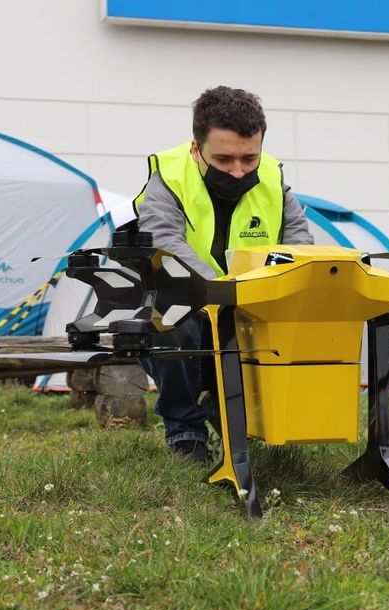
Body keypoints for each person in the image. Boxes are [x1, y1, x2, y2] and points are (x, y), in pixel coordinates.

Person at [132, 86, 314, 464]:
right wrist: (224, 291)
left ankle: (229, 412)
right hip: (185, 305)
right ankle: (185, 431)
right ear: (196, 149)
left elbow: (300, 244)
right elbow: (164, 244)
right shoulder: (168, 179)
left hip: (252, 310)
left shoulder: (273, 180)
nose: (238, 171)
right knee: (171, 324)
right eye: (225, 158)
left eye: (250, 158)